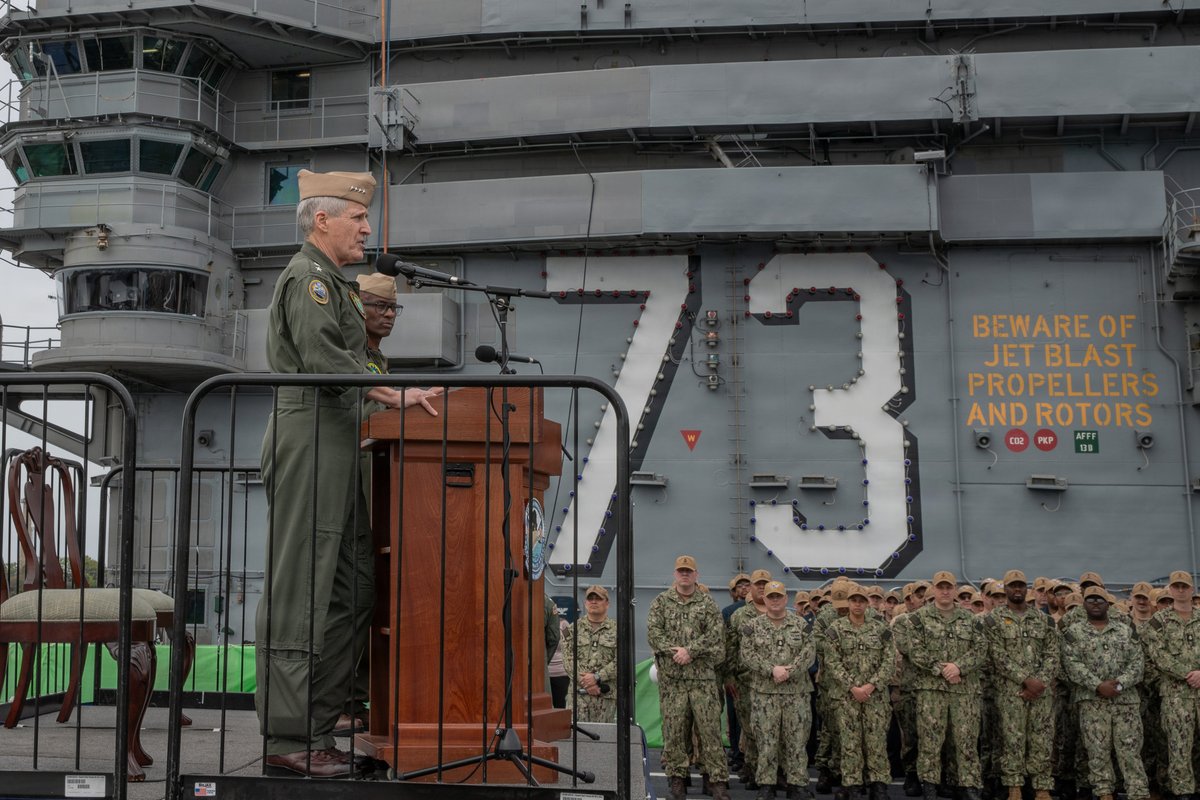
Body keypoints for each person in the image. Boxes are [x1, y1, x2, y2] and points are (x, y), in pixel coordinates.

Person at [256, 169, 442, 778]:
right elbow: (321, 358)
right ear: (321, 221)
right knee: (302, 592)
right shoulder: (308, 278)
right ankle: (289, 737)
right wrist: (393, 394)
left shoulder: (333, 283)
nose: (367, 227)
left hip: (338, 438)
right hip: (311, 434)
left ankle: (321, 725)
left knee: (352, 588)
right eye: (357, 218)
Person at [893, 570, 985, 800]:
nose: (945, 591)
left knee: (966, 740)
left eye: (949, 587)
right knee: (930, 740)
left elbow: (981, 649)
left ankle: (968, 785)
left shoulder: (970, 620)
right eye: (940, 587)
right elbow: (914, 650)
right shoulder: (918, 619)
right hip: (931, 690)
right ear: (933, 590)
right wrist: (943, 669)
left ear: (955, 590)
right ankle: (930, 785)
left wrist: (959, 667)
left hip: (964, 690)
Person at [647, 555, 730, 800]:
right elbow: (654, 633)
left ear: (696, 575)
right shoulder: (661, 602)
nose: (685, 575)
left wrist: (690, 651)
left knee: (710, 731)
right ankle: (677, 781)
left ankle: (716, 781)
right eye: (681, 571)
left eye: (689, 571)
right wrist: (676, 652)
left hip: (702, 680)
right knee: (674, 732)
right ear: (675, 574)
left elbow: (716, 634)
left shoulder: (707, 603)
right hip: (673, 680)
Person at [1060, 587, 1149, 800]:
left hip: (1125, 701)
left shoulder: (1125, 631)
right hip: (1092, 701)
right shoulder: (1073, 633)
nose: (1096, 603)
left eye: (1100, 599)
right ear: (1084, 604)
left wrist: (1119, 684)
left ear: (1108, 603)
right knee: (1097, 751)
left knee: (1130, 751)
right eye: (1091, 599)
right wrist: (1098, 685)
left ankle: (1138, 793)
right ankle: (1104, 793)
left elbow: (1138, 663)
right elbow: (1071, 664)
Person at [982, 569, 1059, 800]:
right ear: (1004, 590)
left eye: (1021, 585)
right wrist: (1026, 680)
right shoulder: (992, 620)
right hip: (1010, 691)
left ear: (1027, 590)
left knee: (1042, 739)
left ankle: (1041, 788)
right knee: (1011, 739)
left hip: (1041, 693)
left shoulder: (1043, 620)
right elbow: (996, 654)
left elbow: (1053, 654)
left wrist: (1040, 682)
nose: (1017, 589)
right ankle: (1013, 787)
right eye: (1012, 586)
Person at [742, 580, 816, 800]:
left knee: (796, 740)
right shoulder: (753, 626)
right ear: (764, 599)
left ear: (786, 599)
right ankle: (767, 784)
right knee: (766, 740)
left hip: (796, 693)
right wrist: (771, 669)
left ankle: (797, 784)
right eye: (771, 597)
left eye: (779, 597)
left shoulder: (801, 625)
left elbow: (809, 652)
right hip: (765, 693)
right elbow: (747, 654)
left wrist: (789, 671)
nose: (775, 601)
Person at [823, 584, 894, 800]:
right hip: (847, 697)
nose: (857, 604)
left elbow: (889, 660)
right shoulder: (835, 629)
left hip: (875, 696)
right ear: (848, 602)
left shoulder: (880, 629)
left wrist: (871, 685)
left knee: (876, 741)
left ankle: (878, 784)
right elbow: (832, 662)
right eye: (853, 600)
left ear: (867, 604)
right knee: (849, 742)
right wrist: (853, 687)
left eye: (861, 601)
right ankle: (852, 784)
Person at [1141, 570, 1200, 800]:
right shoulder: (1159, 621)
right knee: (1179, 747)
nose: (1181, 590)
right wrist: (1189, 674)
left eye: (1185, 586)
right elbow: (1158, 654)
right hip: (1176, 695)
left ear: (1192, 589)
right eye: (1177, 586)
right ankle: (1183, 793)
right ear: (1170, 589)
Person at [561, 584, 618, 722]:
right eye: (590, 599)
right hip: (578, 697)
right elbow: (568, 660)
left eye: (598, 599)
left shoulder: (618, 630)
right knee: (576, 738)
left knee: (604, 738)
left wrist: (598, 677)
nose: (593, 602)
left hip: (605, 696)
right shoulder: (571, 629)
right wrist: (587, 683)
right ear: (585, 603)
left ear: (607, 603)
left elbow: (622, 661)